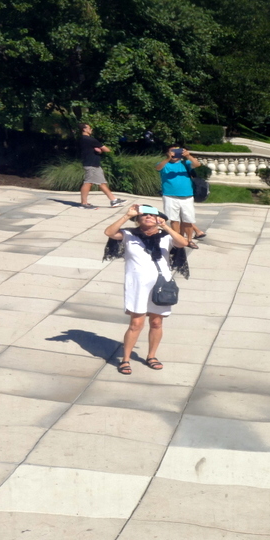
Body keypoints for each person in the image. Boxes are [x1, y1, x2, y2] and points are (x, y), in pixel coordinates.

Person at [103, 204, 189, 375]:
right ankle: (125, 359)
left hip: (161, 285)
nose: (148, 217)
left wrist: (165, 226)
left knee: (157, 322)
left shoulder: (166, 236)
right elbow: (110, 233)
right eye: (144, 216)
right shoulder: (129, 235)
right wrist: (127, 216)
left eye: (152, 215)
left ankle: (152, 356)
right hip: (137, 285)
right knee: (136, 323)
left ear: (158, 219)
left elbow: (183, 242)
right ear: (138, 220)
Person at [156, 145, 203, 249]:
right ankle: (177, 239)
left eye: (177, 151)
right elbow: (158, 168)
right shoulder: (165, 164)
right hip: (170, 196)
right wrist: (168, 158)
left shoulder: (185, 163)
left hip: (187, 196)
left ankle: (189, 240)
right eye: (172, 151)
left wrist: (188, 156)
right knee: (174, 219)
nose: (175, 154)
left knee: (188, 219)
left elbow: (197, 164)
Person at [78, 123, 124, 210]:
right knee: (88, 182)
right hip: (91, 164)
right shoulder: (90, 139)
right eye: (89, 128)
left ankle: (113, 200)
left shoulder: (82, 139)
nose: (91, 129)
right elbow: (107, 149)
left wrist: (98, 150)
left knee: (101, 183)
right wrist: (100, 150)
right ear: (84, 129)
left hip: (94, 164)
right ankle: (83, 203)